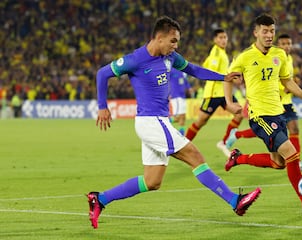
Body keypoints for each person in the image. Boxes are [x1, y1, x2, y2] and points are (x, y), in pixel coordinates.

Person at [87, 16, 261, 229]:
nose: (175, 46)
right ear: (159, 38)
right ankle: (235, 201)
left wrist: (223, 77)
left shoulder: (170, 57)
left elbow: (194, 70)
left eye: (177, 41)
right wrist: (102, 106)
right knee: (195, 155)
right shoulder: (135, 60)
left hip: (158, 122)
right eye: (173, 41)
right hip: (151, 122)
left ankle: (100, 199)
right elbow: (102, 73)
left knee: (152, 181)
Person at [223, 13, 302, 214]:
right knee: (291, 153)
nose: (269, 35)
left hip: (278, 113)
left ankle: (238, 158)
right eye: (265, 31)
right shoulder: (245, 57)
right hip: (260, 116)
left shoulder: (279, 55)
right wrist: (229, 102)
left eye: (272, 31)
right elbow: (228, 78)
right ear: (256, 33)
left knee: (278, 162)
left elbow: (287, 81)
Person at [225, 33, 302, 171]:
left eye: (289, 44)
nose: (287, 46)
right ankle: (238, 135)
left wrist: (298, 89)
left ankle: (295, 160)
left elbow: (285, 79)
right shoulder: (263, 57)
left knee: (291, 134)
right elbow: (268, 82)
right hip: (271, 103)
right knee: (272, 133)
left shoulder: (285, 58)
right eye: (283, 44)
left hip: (285, 102)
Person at [185, 29, 243, 157]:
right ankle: (183, 144)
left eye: (225, 37)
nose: (223, 40)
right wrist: (229, 77)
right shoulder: (216, 53)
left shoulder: (221, 53)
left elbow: (206, 65)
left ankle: (223, 142)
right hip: (213, 93)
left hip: (224, 92)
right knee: (200, 122)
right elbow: (210, 72)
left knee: (239, 113)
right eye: (220, 37)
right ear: (215, 40)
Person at [169, 68, 193, 135]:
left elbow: (185, 81)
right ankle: (163, 122)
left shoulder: (182, 71)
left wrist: (189, 88)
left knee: (183, 116)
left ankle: (181, 134)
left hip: (182, 96)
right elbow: (166, 81)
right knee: (177, 117)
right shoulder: (171, 70)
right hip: (175, 96)